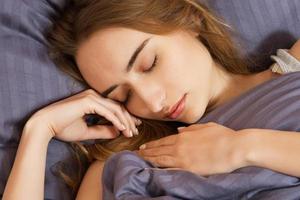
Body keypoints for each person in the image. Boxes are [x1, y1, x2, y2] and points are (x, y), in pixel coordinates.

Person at [3, 0, 300, 199]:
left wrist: (241, 148)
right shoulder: (122, 164)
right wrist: (39, 131)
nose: (153, 102)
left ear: (190, 19)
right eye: (124, 96)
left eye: (149, 64)